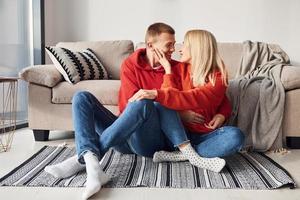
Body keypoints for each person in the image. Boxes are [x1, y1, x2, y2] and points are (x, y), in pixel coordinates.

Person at [44, 24, 235, 199]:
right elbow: (128, 108)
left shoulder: (177, 68)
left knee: (147, 102)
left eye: (175, 45)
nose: (173, 50)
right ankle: (91, 162)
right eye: (169, 45)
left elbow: (207, 94)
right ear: (150, 45)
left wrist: (213, 112)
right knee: (81, 98)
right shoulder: (130, 65)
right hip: (122, 134)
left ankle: (85, 158)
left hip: (149, 141)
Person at [128, 29, 245, 169]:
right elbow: (168, 97)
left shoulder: (218, 76)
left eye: (184, 45)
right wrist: (168, 71)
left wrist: (222, 114)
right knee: (161, 105)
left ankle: (183, 155)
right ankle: (191, 155)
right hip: (177, 134)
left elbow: (212, 98)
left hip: (204, 135)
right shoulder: (178, 69)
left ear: (196, 48)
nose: (179, 50)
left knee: (236, 136)